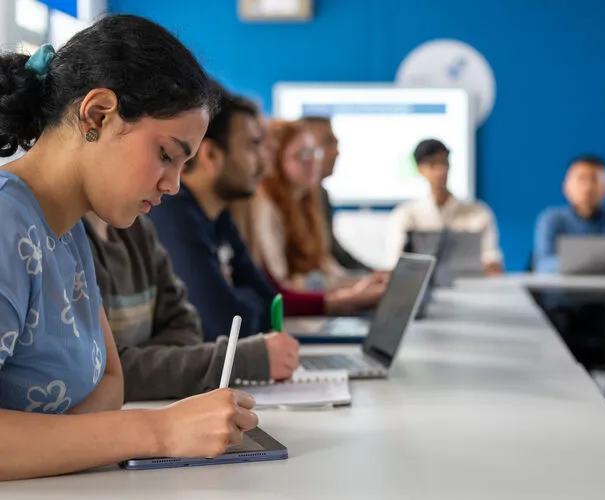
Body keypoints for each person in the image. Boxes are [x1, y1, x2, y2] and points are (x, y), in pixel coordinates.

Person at [0, 15, 257, 481]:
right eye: (165, 155)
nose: (174, 184)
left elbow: (110, 386)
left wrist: (41, 440)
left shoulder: (69, 227)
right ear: (97, 114)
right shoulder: (5, 222)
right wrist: (157, 432)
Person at [148, 88, 379, 340]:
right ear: (212, 155)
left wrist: (239, 296)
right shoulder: (175, 216)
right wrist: (244, 298)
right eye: (253, 146)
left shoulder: (218, 216)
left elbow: (270, 303)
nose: (264, 163)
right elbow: (224, 325)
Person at [84, 212, 300, 401]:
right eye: (165, 161)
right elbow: (108, 374)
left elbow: (188, 325)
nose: (173, 186)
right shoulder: (76, 242)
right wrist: (241, 359)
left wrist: (142, 363)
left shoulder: (139, 229)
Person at [532, 155, 605, 408]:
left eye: (595, 180)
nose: (587, 186)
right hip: (563, 309)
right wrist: (601, 262)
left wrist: (575, 262)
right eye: (581, 179)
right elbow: (544, 264)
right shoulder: (551, 219)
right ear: (567, 186)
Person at [243, 119, 388, 297]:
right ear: (275, 161)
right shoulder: (265, 207)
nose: (312, 162)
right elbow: (279, 284)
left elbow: (327, 267)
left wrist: (366, 282)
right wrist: (350, 293)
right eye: (302, 155)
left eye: (315, 153)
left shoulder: (309, 202)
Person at [385, 138, 504, 274]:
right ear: (420, 169)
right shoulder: (406, 215)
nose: (440, 171)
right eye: (432, 164)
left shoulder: (478, 213)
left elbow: (492, 262)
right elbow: (394, 265)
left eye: (443, 162)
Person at [300, 116, 372, 271]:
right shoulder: (289, 200)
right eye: (328, 142)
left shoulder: (321, 194)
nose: (337, 152)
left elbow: (334, 253)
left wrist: (374, 274)